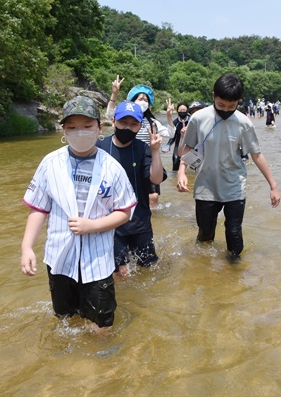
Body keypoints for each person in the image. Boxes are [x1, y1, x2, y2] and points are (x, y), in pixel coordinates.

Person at [20, 96, 137, 332]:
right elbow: (38, 208)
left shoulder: (112, 167)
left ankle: (101, 364)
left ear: (99, 127)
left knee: (102, 324)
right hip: (60, 257)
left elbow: (125, 212)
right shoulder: (50, 163)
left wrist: (92, 226)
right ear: (63, 129)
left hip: (98, 261)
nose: (80, 133)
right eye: (72, 128)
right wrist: (27, 247)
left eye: (87, 127)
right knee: (66, 321)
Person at [176, 73, 281, 259]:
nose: (226, 110)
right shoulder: (198, 118)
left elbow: (256, 154)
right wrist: (181, 172)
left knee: (234, 236)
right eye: (221, 105)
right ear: (213, 96)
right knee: (205, 236)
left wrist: (273, 186)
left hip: (234, 185)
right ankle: (204, 270)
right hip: (205, 186)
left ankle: (233, 274)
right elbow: (188, 148)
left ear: (239, 102)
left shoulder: (243, 122)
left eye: (232, 106)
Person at [96, 101, 165, 276]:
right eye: (123, 123)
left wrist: (155, 151)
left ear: (140, 127)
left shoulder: (143, 148)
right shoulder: (99, 147)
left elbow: (156, 178)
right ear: (113, 121)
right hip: (110, 223)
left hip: (139, 220)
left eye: (133, 124)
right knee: (120, 272)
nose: (128, 128)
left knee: (148, 269)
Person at [105, 75, 171, 208]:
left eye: (146, 99)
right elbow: (110, 114)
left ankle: (152, 217)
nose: (143, 101)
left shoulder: (153, 122)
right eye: (140, 98)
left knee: (153, 196)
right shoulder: (121, 117)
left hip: (147, 158)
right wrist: (114, 94)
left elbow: (171, 133)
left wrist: (169, 118)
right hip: (128, 154)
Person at [163, 102, 190, 171]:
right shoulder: (175, 123)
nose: (182, 112)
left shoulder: (192, 121)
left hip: (190, 145)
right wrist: (168, 146)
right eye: (181, 110)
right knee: (175, 160)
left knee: (195, 165)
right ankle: (174, 178)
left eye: (184, 110)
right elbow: (173, 137)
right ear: (177, 111)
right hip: (178, 145)